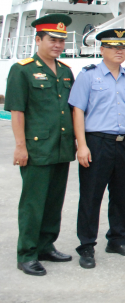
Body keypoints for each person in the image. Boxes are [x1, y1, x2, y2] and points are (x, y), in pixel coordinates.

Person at [6, 14, 75, 276]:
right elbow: (17, 111)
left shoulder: (66, 71)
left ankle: (46, 245)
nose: (57, 45)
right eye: (52, 40)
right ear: (38, 39)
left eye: (61, 40)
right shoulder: (22, 70)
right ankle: (27, 253)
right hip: (37, 149)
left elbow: (71, 109)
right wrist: (20, 147)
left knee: (54, 201)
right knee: (33, 203)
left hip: (62, 147)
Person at [68, 28, 125, 269]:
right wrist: (82, 145)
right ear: (102, 50)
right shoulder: (88, 76)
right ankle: (86, 245)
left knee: (121, 195)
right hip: (97, 143)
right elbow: (78, 111)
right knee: (91, 196)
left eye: (123, 48)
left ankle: (117, 239)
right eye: (114, 47)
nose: (120, 51)